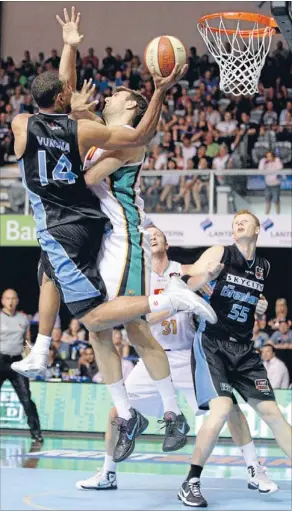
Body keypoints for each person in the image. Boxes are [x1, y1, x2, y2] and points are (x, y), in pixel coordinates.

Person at [11, 7, 208, 461]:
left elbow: (127, 143)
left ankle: (169, 409)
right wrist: (70, 50)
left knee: (118, 322)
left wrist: (157, 90)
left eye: (119, 93)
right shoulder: (94, 128)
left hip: (121, 234)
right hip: (95, 234)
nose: (110, 94)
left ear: (130, 106)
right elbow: (61, 108)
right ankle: (128, 413)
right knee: (100, 326)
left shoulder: (119, 135)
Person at [76, 226, 277, 492]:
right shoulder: (138, 281)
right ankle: (108, 472)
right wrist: (174, 301)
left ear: (167, 242)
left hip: (187, 355)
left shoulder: (184, 271)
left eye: (157, 233)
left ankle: (254, 468)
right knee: (118, 413)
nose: (153, 236)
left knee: (228, 408)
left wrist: (256, 302)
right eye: (147, 236)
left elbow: (223, 286)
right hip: (150, 358)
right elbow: (142, 318)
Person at [177, 209, 291, 507]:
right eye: (235, 221)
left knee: (273, 414)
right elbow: (184, 283)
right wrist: (206, 276)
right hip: (212, 343)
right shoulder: (220, 252)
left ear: (257, 230)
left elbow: (249, 299)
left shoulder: (263, 267)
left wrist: (260, 306)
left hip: (244, 349)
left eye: (246, 220)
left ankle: (254, 469)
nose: (239, 222)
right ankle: (191, 481)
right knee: (223, 408)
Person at [0, 289, 42, 442]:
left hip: (16, 361)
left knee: (26, 398)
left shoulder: (23, 319)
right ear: (2, 300)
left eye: (13, 298)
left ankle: (36, 432)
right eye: (7, 299)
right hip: (0, 360)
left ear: (17, 300)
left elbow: (26, 341)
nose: (10, 302)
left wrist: (29, 359)